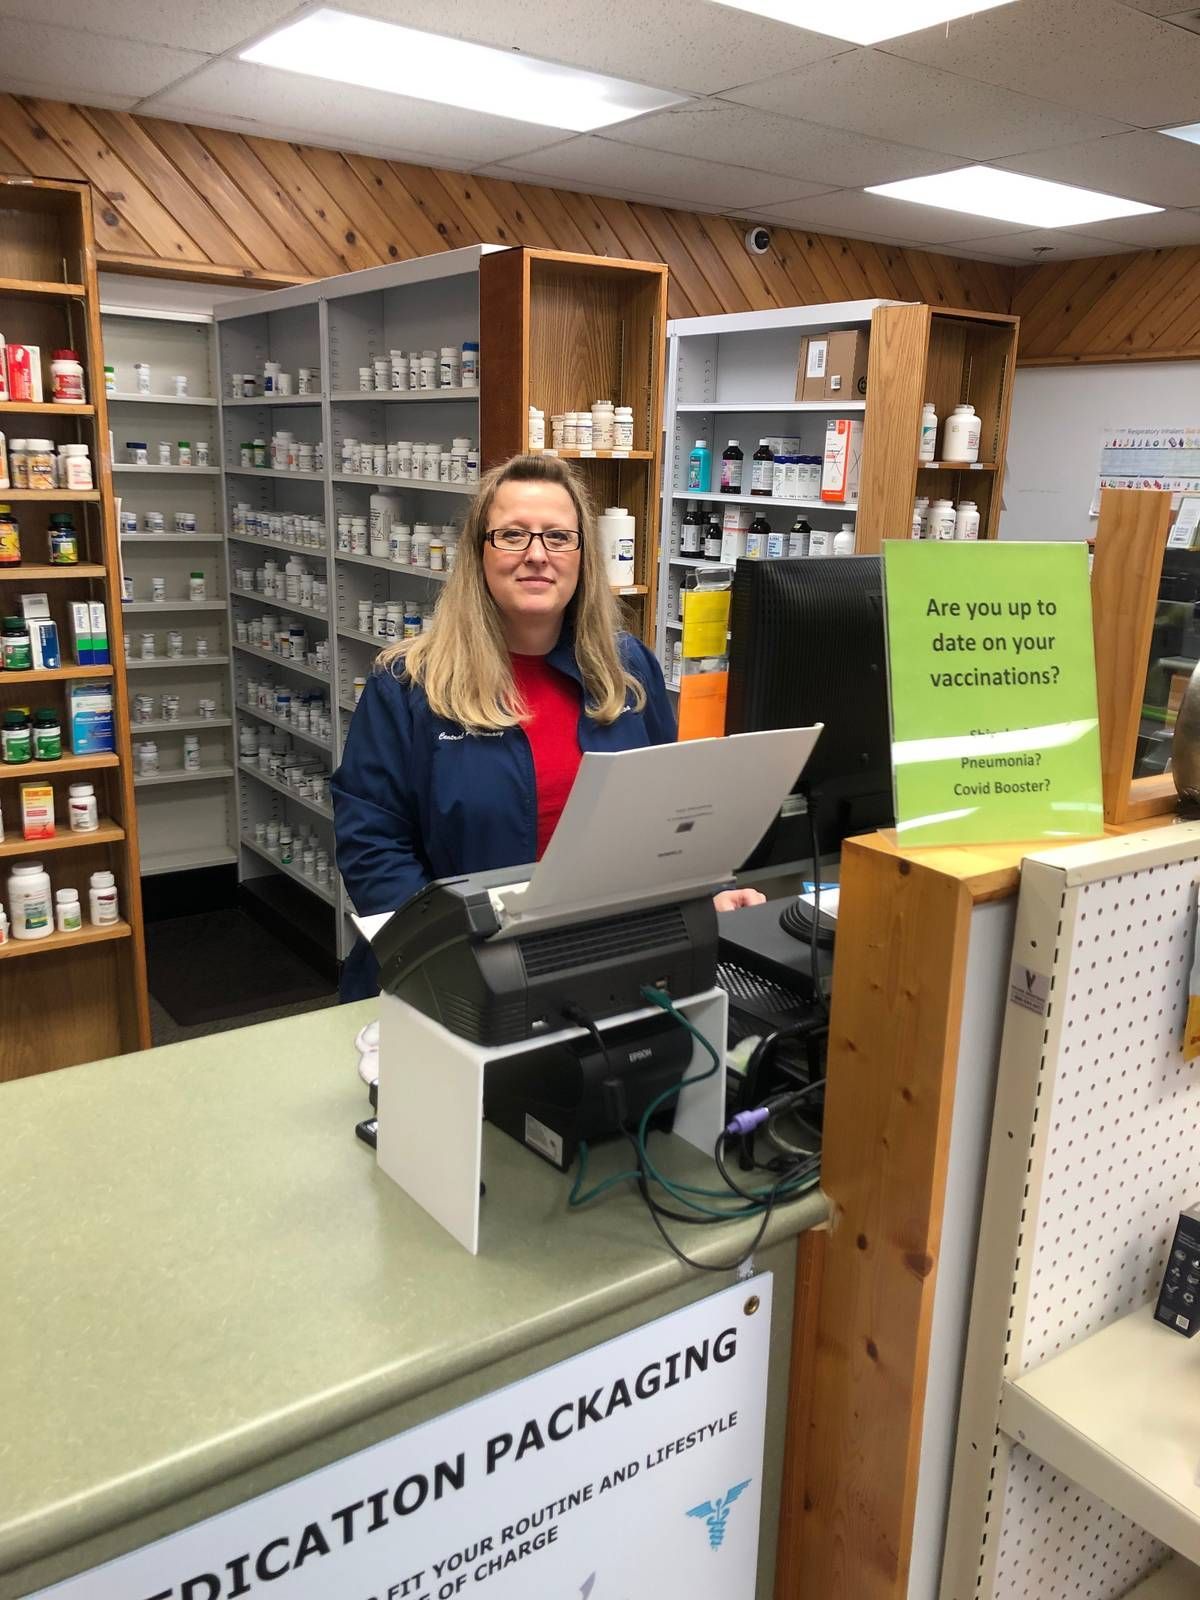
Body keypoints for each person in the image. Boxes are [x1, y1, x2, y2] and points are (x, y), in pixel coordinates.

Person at [332, 453, 762, 1000]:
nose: (537, 556)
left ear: (582, 556)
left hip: (601, 959)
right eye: (512, 535)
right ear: (478, 554)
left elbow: (669, 812)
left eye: (558, 537)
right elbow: (374, 847)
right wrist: (450, 960)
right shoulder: (408, 684)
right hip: (450, 976)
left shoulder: (627, 670)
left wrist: (710, 891)